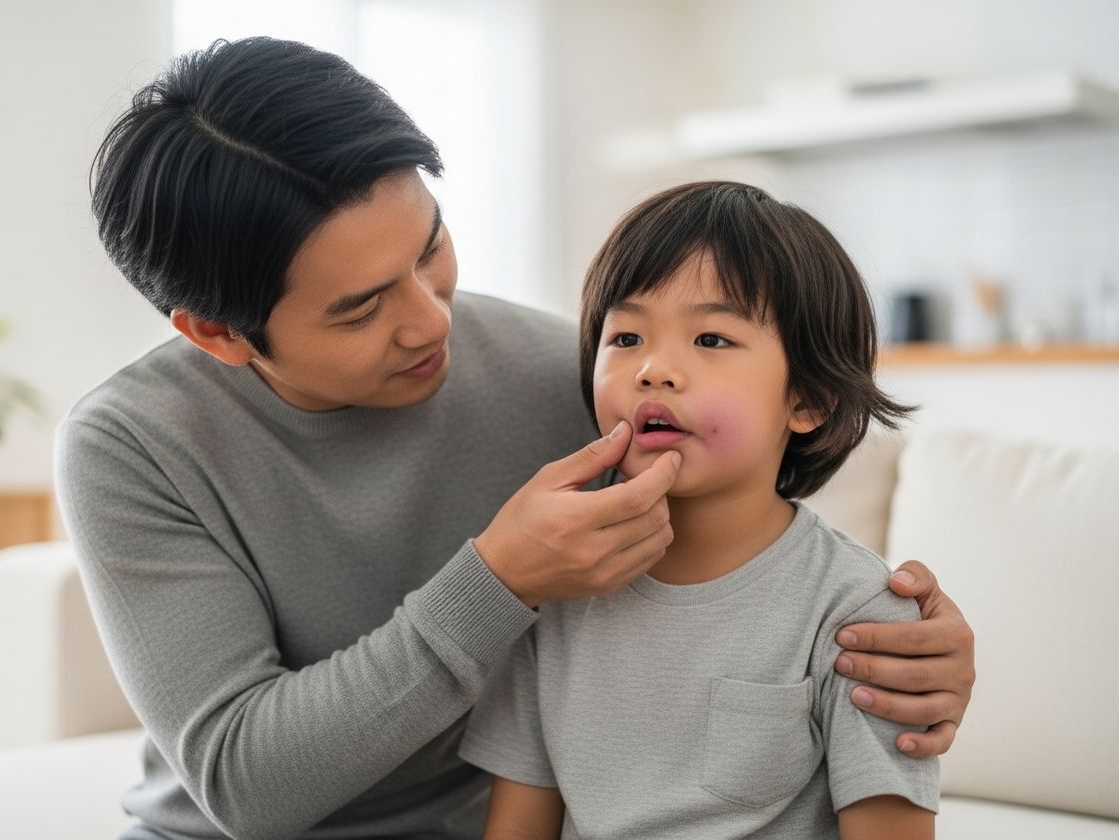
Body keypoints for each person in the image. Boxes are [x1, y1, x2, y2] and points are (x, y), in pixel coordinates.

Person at [58, 37, 973, 839]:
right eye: (362, 308)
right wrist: (498, 582)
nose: (429, 321)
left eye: (429, 247)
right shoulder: (132, 445)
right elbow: (245, 785)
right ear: (216, 334)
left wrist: (910, 655)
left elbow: (749, 544)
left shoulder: (575, 376)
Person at [458, 181, 942, 839]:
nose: (654, 369)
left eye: (711, 340)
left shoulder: (861, 616)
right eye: (626, 336)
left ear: (810, 401)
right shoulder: (554, 587)